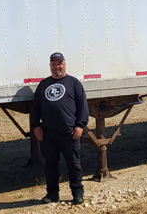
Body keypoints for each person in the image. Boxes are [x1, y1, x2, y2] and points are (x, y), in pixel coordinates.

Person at [31, 52, 89, 205]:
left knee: (74, 165)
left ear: (64, 64)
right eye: (53, 64)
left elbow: (83, 106)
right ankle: (52, 194)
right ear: (50, 66)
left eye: (59, 63)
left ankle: (77, 194)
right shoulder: (44, 84)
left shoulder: (74, 83)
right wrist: (36, 126)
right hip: (48, 134)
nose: (57, 66)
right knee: (50, 165)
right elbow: (35, 108)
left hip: (69, 133)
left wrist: (80, 125)